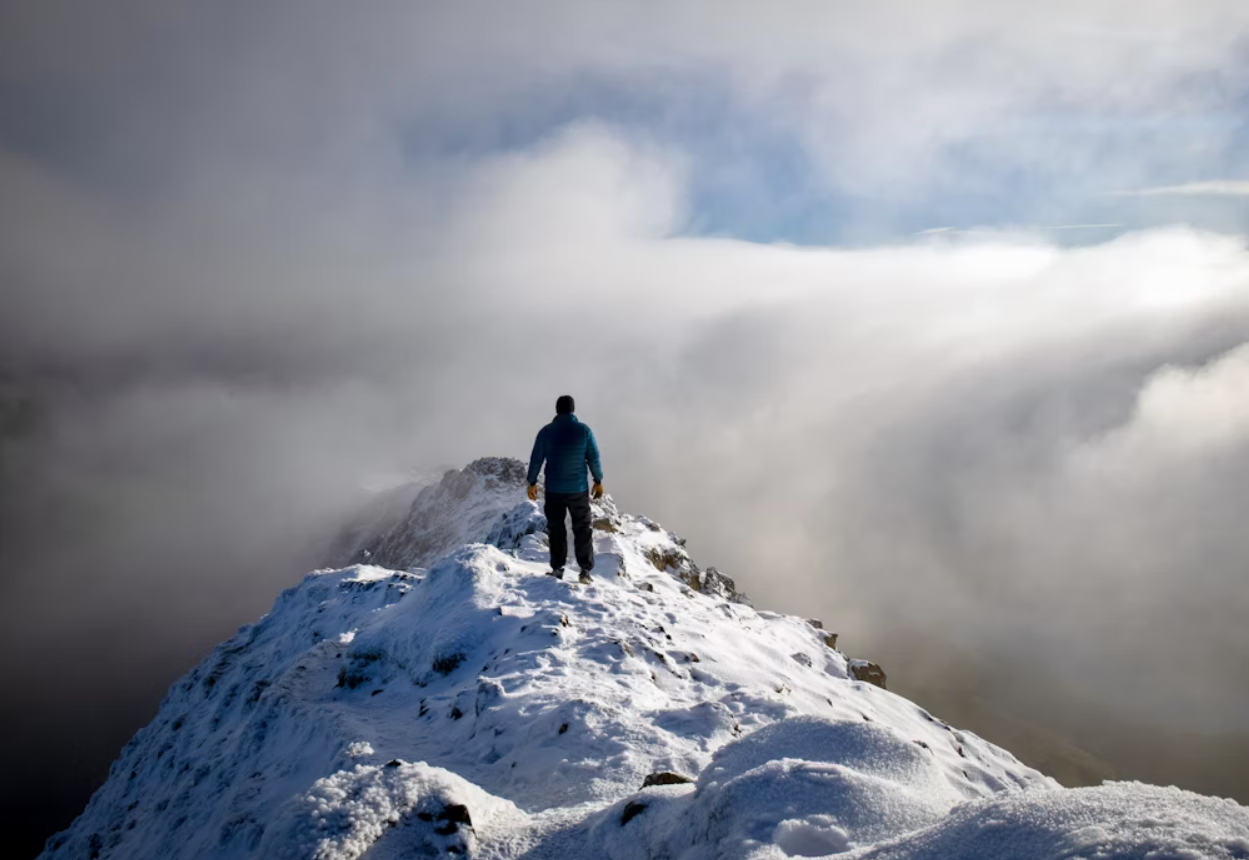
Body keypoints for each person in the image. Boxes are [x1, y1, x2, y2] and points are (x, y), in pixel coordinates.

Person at [527, 395, 604, 583]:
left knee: (556, 529)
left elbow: (536, 458)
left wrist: (532, 482)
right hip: (578, 489)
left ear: (556, 410)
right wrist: (598, 479)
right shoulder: (584, 431)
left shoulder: (546, 432)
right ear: (573, 410)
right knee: (583, 528)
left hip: (554, 489)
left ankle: (557, 568)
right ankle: (585, 571)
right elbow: (593, 457)